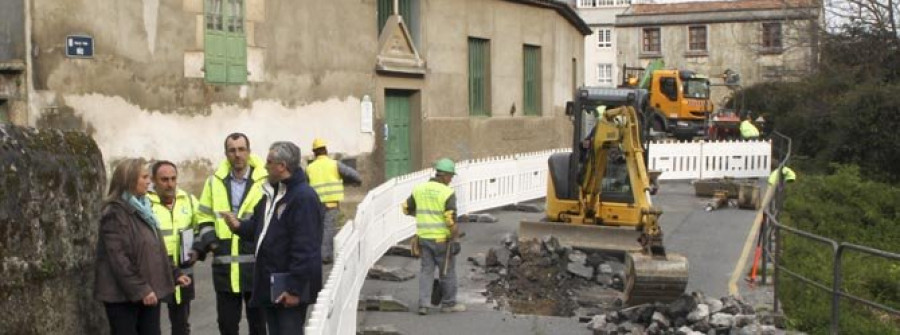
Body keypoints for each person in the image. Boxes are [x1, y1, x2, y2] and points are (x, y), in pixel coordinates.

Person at [220, 141, 324, 335]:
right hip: (272, 285)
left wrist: (294, 289)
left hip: (289, 288)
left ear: (282, 166)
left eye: (269, 162)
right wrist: (239, 226)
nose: (265, 166)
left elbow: (306, 248)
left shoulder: (302, 197)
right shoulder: (272, 193)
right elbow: (261, 228)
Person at [95, 158, 191, 335]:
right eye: (145, 177)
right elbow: (119, 260)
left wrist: (174, 272)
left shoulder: (144, 210)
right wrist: (142, 290)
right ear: (129, 180)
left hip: (147, 292)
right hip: (123, 298)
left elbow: (153, 250)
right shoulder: (115, 213)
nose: (149, 182)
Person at [194, 133, 268, 335]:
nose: (237, 155)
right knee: (227, 326)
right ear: (226, 153)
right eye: (232, 150)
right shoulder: (213, 182)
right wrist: (212, 243)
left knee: (259, 327)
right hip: (225, 268)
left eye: (241, 149)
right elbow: (203, 216)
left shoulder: (265, 181)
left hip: (256, 267)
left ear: (249, 152)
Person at [403, 158, 465, 315]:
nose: (451, 180)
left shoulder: (419, 189)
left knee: (426, 272)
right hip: (442, 241)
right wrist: (456, 239)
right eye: (451, 176)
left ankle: (424, 304)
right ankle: (449, 304)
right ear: (444, 175)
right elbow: (450, 219)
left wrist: (422, 216)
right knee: (447, 272)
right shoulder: (447, 193)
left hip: (424, 239)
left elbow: (405, 208)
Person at [148, 161, 200, 335]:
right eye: (164, 180)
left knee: (181, 325)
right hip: (155, 271)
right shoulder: (145, 204)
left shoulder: (189, 201)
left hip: (183, 270)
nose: (170, 184)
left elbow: (200, 228)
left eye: (173, 179)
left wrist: (198, 250)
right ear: (154, 181)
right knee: (151, 325)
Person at [306, 138, 362, 264]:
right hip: (331, 204)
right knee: (328, 230)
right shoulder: (334, 164)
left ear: (314, 152)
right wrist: (353, 182)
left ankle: (316, 255)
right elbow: (355, 176)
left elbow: (305, 184)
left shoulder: (309, 168)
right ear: (326, 150)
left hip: (315, 205)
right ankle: (325, 257)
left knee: (317, 230)